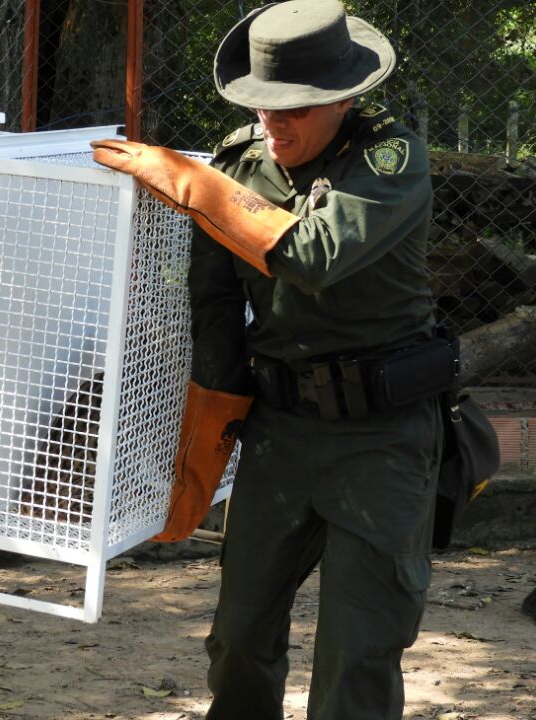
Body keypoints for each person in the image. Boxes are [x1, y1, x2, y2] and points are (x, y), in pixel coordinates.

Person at [92, 1, 444, 717]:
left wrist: (196, 186)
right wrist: (209, 428)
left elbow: (317, 256)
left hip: (381, 438)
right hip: (280, 431)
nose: (272, 125)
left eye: (293, 110)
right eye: (261, 107)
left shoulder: (389, 159)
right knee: (237, 639)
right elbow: (214, 305)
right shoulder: (238, 163)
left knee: (357, 651)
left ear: (342, 99)